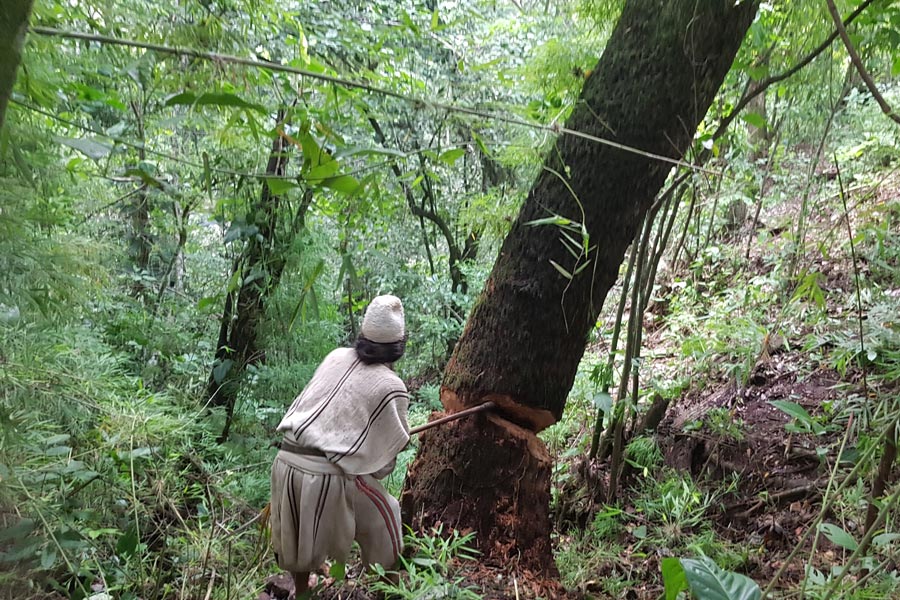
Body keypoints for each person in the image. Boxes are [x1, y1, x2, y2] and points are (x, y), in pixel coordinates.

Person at [269, 295, 410, 598]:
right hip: (325, 474)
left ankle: (303, 590)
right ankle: (388, 588)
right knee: (388, 512)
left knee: (299, 538)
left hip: (284, 459)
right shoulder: (392, 386)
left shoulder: (336, 356)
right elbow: (381, 465)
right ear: (399, 346)